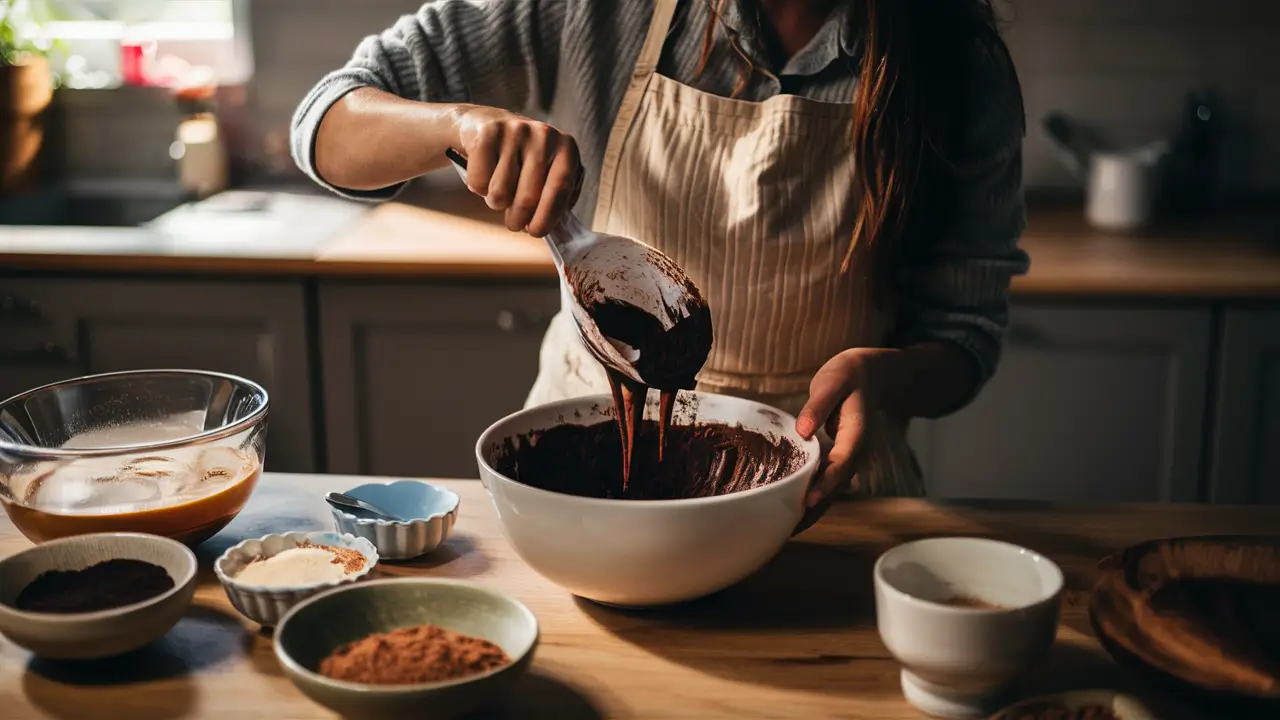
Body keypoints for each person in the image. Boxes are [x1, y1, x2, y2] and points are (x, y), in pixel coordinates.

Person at [293, 0, 1029, 511]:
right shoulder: (598, 12)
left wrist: (891, 378)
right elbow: (325, 122)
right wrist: (457, 123)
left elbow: (964, 334)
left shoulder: (956, 64)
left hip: (825, 495)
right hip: (581, 477)